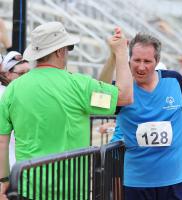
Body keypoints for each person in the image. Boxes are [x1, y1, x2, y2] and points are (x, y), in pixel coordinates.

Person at [0, 22, 133, 198]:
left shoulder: (13, 89)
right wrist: (121, 52)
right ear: (59, 51)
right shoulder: (79, 85)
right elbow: (124, 96)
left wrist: (4, 180)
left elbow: (2, 141)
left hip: (28, 187)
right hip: (72, 189)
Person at [99, 32, 182, 200]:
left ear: (156, 62)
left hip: (178, 179)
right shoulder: (123, 90)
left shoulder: (174, 80)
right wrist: (113, 55)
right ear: (129, 59)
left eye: (147, 61)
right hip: (138, 182)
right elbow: (99, 92)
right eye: (136, 60)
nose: (141, 67)